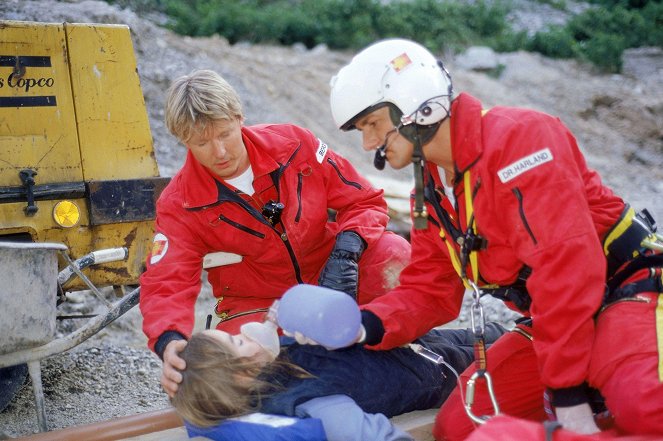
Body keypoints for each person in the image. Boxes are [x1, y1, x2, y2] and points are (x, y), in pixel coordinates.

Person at [289, 38, 663, 440]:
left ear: (417, 104)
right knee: (461, 427)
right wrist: (360, 326)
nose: (367, 144)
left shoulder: (520, 140)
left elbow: (567, 271)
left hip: (629, 291)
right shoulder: (430, 194)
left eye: (372, 125)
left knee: (644, 408)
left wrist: (567, 391)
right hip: (555, 321)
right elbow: (430, 292)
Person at [139, 69, 411, 397]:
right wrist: (170, 342)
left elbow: (364, 201)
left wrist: (347, 251)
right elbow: (166, 283)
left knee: (393, 254)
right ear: (183, 141)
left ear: (240, 118)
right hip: (260, 309)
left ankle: (394, 350)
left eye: (225, 134)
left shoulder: (296, 145)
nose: (220, 153)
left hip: (333, 280)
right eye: (202, 143)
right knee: (237, 377)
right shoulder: (179, 202)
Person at [170, 317, 507, 441]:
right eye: (238, 341)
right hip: (428, 374)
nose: (246, 333)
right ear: (243, 376)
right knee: (487, 353)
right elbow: (366, 433)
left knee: (474, 333)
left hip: (395, 342)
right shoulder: (308, 400)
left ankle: (517, 329)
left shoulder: (271, 361)